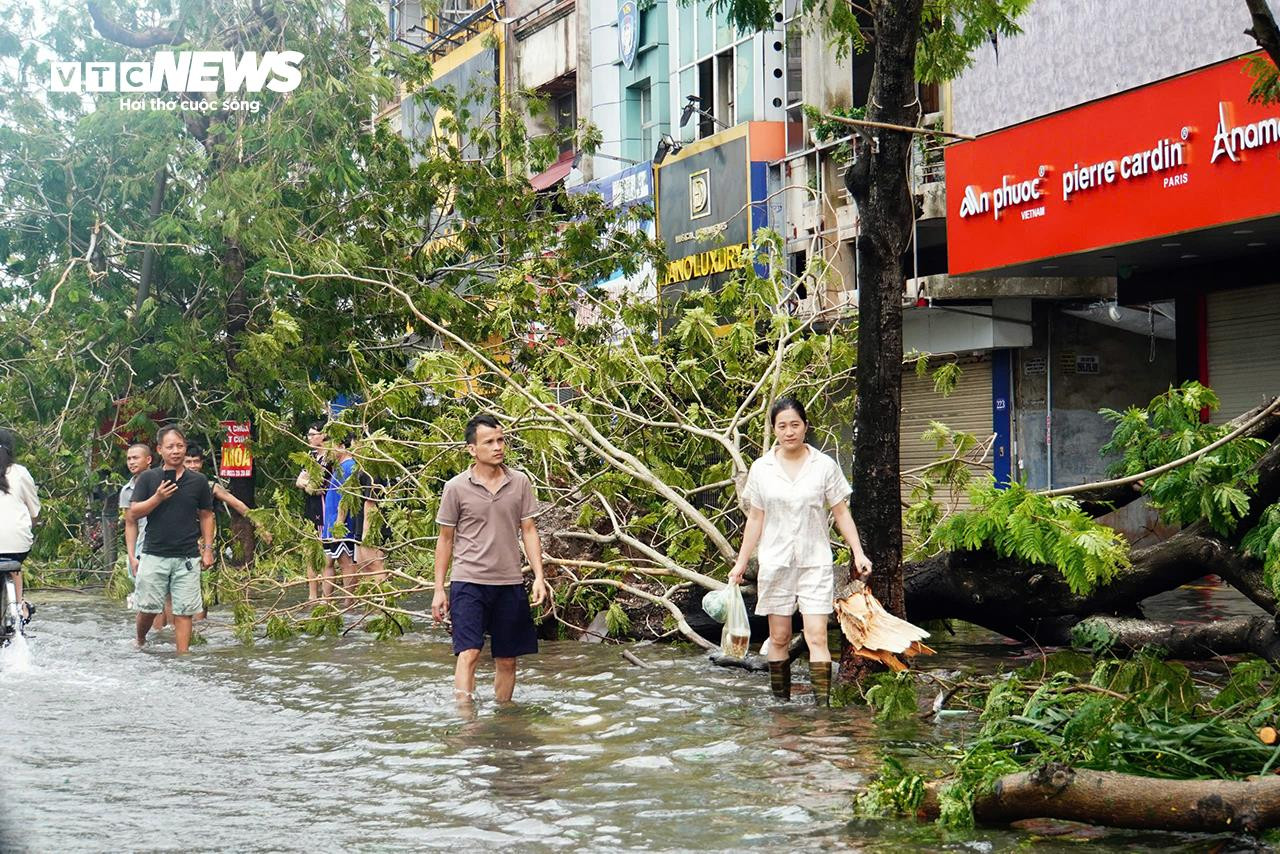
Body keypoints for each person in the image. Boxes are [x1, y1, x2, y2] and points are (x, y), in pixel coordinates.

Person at [728, 397, 873, 706]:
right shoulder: (762, 468)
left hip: (814, 562)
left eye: (795, 424)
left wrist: (858, 552)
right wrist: (741, 564)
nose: (789, 431)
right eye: (782, 426)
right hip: (776, 563)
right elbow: (755, 518)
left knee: (817, 636)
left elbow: (841, 512)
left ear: (806, 427)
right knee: (779, 638)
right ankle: (781, 709)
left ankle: (822, 711)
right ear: (774, 429)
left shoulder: (824, 466)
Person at [432, 414, 550, 704]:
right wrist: (438, 589)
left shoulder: (520, 482)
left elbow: (529, 530)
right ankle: (466, 724)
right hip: (468, 581)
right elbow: (445, 539)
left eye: (501, 440)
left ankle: (503, 720)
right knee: (469, 653)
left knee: (508, 659)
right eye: (489, 442)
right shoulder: (456, 487)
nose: (498, 447)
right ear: (472, 449)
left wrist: (539, 577)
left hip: (509, 581)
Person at [126, 425, 214, 654]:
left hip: (187, 556)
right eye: (170, 446)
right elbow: (133, 513)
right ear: (159, 450)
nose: (176, 451)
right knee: (148, 608)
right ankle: (140, 640)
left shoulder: (198, 481)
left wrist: (208, 549)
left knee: (184, 610)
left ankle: (183, 656)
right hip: (154, 553)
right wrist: (158, 497)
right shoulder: (148, 478)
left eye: (180, 446)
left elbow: (206, 515)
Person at [120, 442, 167, 631]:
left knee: (169, 595)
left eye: (135, 458)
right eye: (129, 458)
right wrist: (131, 555)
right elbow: (130, 523)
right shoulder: (127, 490)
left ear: (148, 460)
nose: (131, 462)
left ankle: (170, 636)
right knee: (150, 595)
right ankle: (156, 636)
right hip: (142, 546)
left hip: (166, 541)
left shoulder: (163, 482)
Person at [0, 428, 40, 623]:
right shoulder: (21, 473)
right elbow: (35, 513)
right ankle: (20, 607)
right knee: (14, 563)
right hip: (17, 544)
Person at [320, 438, 361, 604]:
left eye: (332, 446)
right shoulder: (338, 467)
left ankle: (348, 601)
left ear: (343, 446)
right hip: (330, 523)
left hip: (340, 524)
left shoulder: (349, 467)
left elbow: (346, 498)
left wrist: (339, 522)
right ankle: (325, 601)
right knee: (328, 561)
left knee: (345, 561)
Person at [295, 423, 328, 600]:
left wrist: (310, 484)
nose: (309, 438)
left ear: (323, 435)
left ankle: (326, 594)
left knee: (323, 551)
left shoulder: (329, 457)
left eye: (312, 434)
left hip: (324, 507)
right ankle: (312, 595)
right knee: (309, 550)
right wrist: (308, 484)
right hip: (311, 506)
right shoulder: (311, 456)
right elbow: (300, 481)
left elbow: (320, 485)